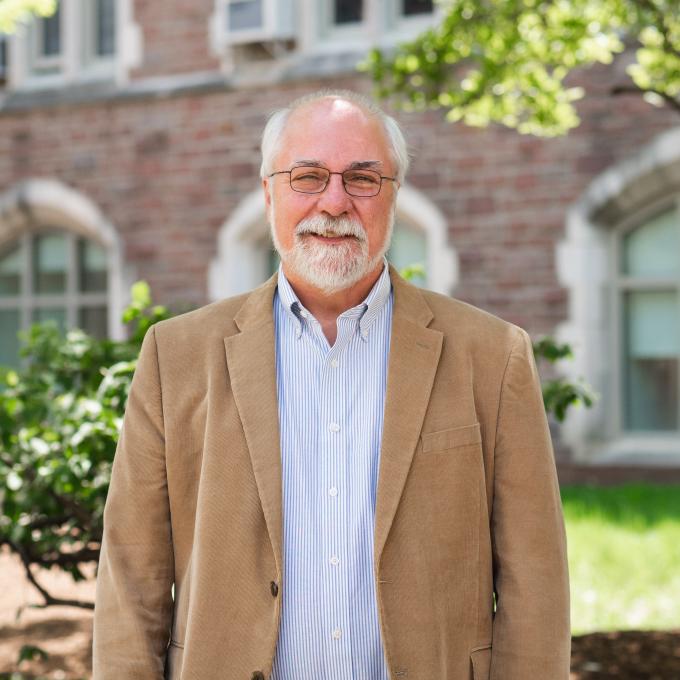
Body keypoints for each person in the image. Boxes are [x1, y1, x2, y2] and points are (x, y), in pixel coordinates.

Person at [93, 90, 570, 680]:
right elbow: (130, 580)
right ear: (269, 192)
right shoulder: (175, 357)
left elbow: (535, 583)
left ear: (395, 195)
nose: (335, 202)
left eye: (363, 179)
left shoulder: (493, 357)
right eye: (308, 176)